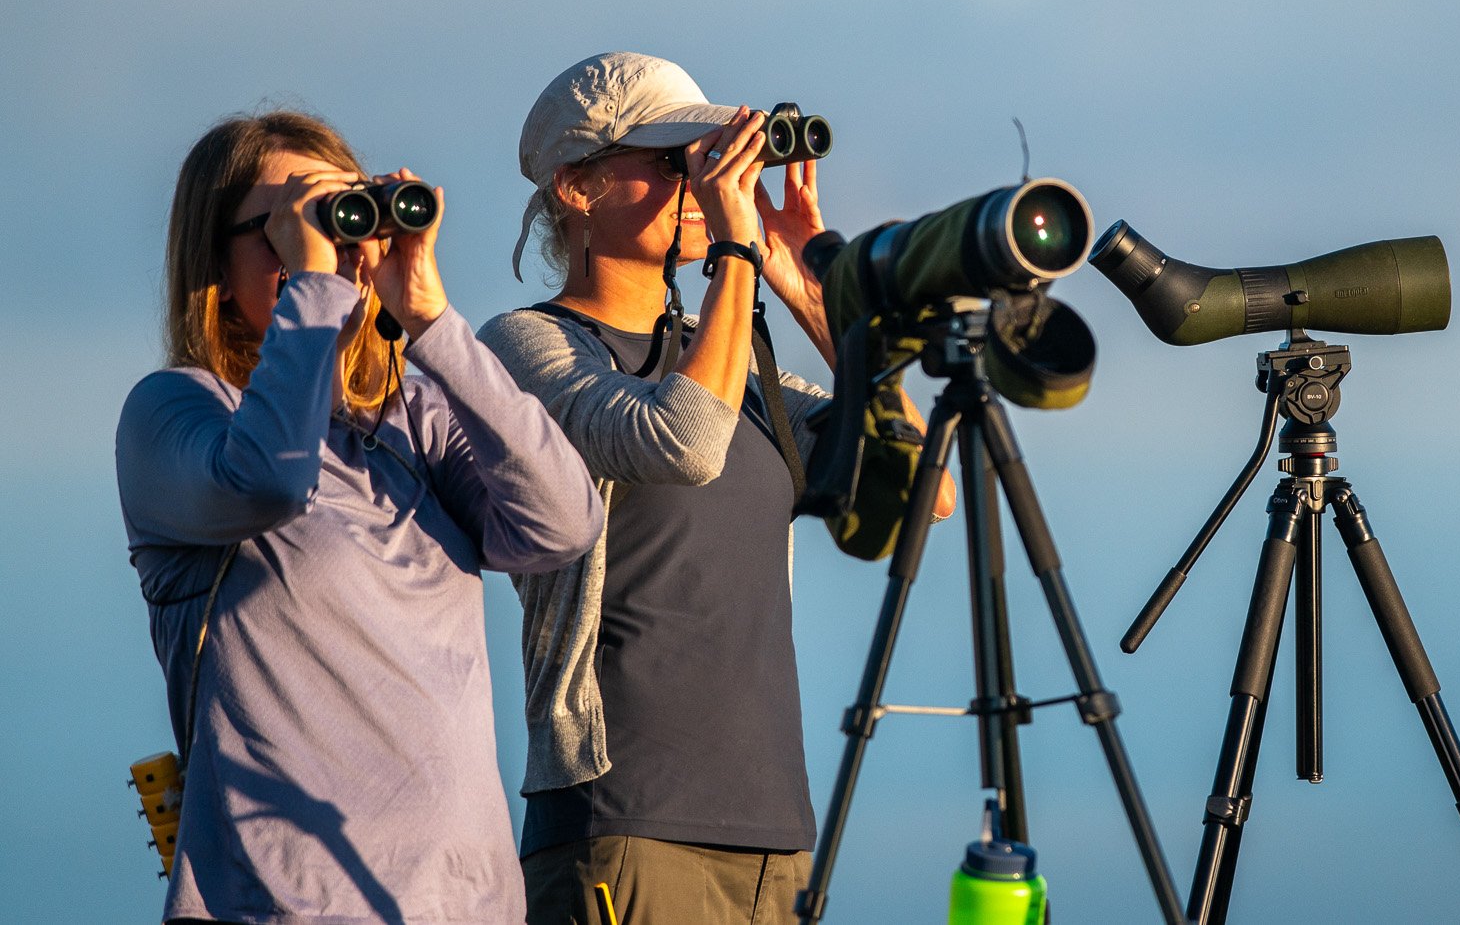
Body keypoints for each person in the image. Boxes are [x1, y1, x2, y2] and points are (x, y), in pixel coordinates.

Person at [479, 52, 953, 925]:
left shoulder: (736, 353)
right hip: (623, 818)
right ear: (575, 187)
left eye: (708, 159)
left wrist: (801, 274)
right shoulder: (525, 347)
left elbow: (924, 484)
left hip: (774, 824)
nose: (700, 183)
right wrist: (734, 248)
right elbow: (683, 441)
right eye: (672, 162)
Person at [116, 111, 606, 925]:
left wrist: (431, 321)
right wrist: (312, 285)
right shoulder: (178, 412)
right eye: (287, 227)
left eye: (343, 218)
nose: (327, 252)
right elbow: (270, 478)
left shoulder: (410, 415)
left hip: (467, 903)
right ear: (215, 260)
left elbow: (564, 522)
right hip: (283, 903)